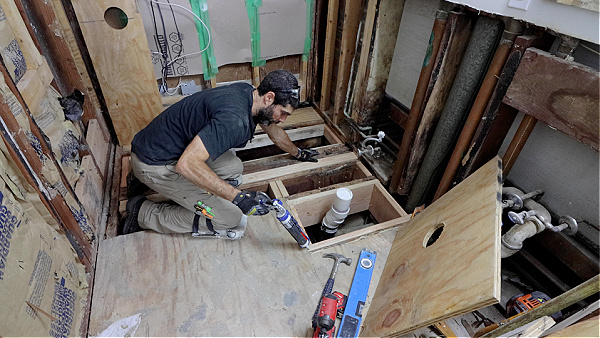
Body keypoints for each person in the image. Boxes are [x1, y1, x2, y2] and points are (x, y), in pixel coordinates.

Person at [121, 70, 319, 239]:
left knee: (233, 167)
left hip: (157, 145)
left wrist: (298, 153)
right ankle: (143, 213)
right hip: (154, 163)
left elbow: (274, 131)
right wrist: (238, 197)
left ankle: (153, 183)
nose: (283, 119)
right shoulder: (234, 121)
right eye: (283, 113)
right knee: (229, 218)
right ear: (269, 97)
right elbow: (187, 164)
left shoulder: (248, 93)